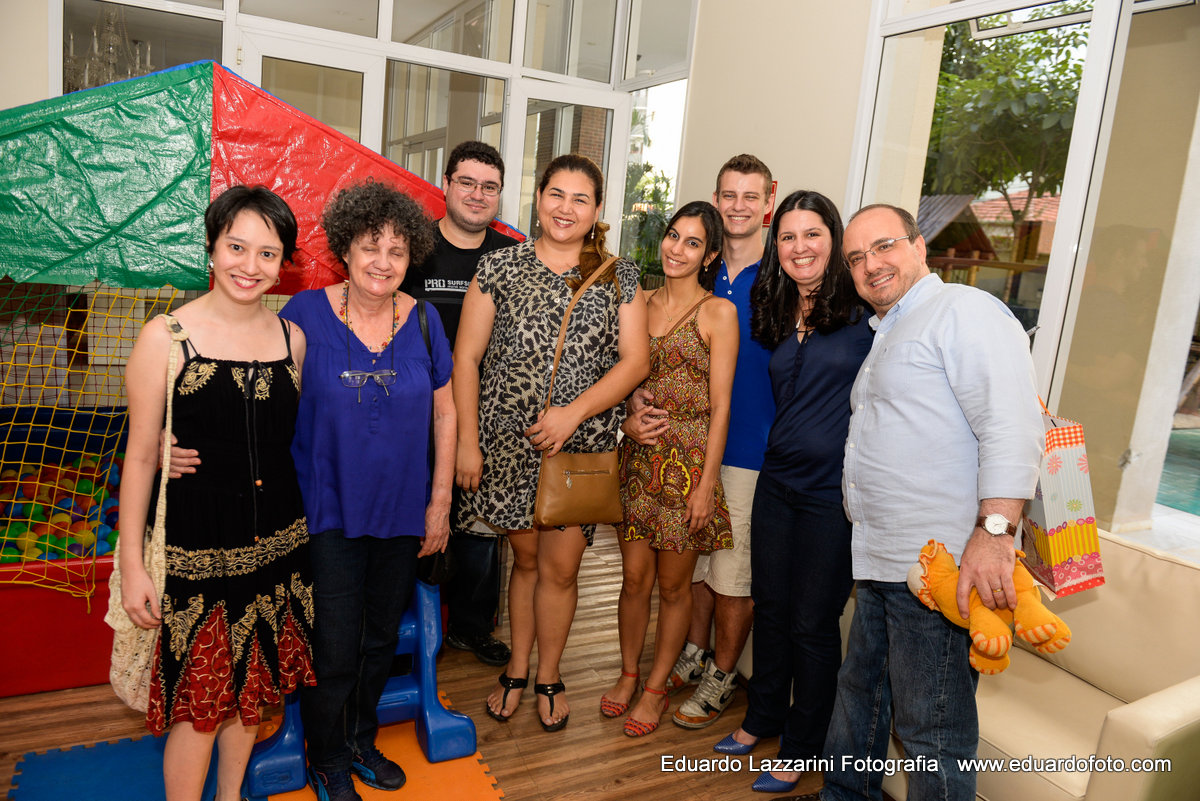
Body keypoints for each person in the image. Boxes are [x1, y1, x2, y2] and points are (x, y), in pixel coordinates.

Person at [817, 204, 1042, 801]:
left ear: (919, 246)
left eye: (884, 246)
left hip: (940, 569)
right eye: (856, 258)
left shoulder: (964, 311)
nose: (871, 265)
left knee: (931, 732)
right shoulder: (891, 329)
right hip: (884, 558)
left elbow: (1012, 426)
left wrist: (995, 534)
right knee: (860, 701)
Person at [118, 185, 315, 801]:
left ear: (283, 264)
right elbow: (140, 457)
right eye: (236, 247)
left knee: (251, 694)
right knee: (200, 706)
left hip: (278, 545)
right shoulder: (165, 338)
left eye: (267, 253)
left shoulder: (293, 339)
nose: (249, 266)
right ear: (211, 247)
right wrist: (131, 564)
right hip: (197, 551)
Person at [454, 153, 650, 732]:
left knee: (561, 570)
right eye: (556, 195)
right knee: (524, 561)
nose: (566, 208)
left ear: (597, 210)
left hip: (579, 446)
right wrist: (468, 442)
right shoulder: (499, 266)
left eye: (580, 199)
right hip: (506, 443)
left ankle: (549, 674)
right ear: (538, 199)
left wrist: (572, 415)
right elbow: (466, 358)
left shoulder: (620, 276)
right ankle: (517, 668)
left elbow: (635, 362)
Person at [281, 180, 452, 801]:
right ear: (345, 249)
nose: (383, 261)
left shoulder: (426, 321)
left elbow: (446, 415)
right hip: (325, 510)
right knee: (333, 645)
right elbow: (262, 397)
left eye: (397, 250)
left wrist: (439, 501)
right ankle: (325, 757)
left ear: (412, 258)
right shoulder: (303, 314)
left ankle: (359, 739)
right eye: (370, 245)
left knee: (380, 639)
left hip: (403, 510)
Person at [708, 190, 872, 796]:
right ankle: (762, 719)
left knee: (812, 621)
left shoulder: (864, 314)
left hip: (833, 494)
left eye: (812, 234)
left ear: (834, 239)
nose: (800, 247)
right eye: (788, 237)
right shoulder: (777, 307)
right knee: (770, 607)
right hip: (776, 481)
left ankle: (804, 747)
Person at [630, 154, 777, 730]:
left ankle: (722, 672)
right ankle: (692, 653)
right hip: (676, 452)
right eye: (728, 195)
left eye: (750, 196)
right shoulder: (694, 278)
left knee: (732, 577)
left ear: (768, 201)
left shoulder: (782, 274)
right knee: (688, 576)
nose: (738, 206)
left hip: (748, 449)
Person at [602, 201, 738, 738]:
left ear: (710, 255)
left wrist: (706, 485)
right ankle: (628, 673)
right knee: (634, 579)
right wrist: (627, 415)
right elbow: (618, 376)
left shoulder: (718, 313)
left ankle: (657, 688)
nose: (677, 249)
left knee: (675, 588)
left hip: (688, 467)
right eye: (673, 236)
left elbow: (721, 407)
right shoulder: (637, 301)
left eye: (692, 242)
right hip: (639, 462)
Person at [402, 140, 519, 668]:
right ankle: (402, 628)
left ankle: (471, 627)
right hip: (413, 413)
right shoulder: (411, 249)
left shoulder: (511, 257)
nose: (477, 194)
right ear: (445, 184)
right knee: (413, 520)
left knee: (480, 532)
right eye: (467, 182)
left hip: (486, 417)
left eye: (489, 187)